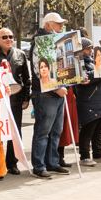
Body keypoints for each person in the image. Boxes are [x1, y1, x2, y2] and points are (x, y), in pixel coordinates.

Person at [30, 11, 70, 176]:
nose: (61, 27)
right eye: (58, 24)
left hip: (58, 91)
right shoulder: (40, 43)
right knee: (43, 131)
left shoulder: (56, 41)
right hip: (46, 93)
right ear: (48, 25)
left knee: (56, 130)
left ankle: (52, 162)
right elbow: (40, 70)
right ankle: (39, 166)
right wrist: (56, 88)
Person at [0, 26, 31, 174]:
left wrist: (27, 97)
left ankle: (12, 162)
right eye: (4, 37)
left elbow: (26, 78)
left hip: (16, 99)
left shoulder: (20, 54)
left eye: (11, 36)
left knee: (15, 131)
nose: (8, 39)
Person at [73, 38, 101, 163]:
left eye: (91, 48)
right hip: (89, 101)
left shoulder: (95, 61)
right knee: (88, 128)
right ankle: (84, 156)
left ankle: (98, 153)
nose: (90, 51)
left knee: (99, 128)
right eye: (87, 48)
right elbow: (85, 76)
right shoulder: (77, 62)